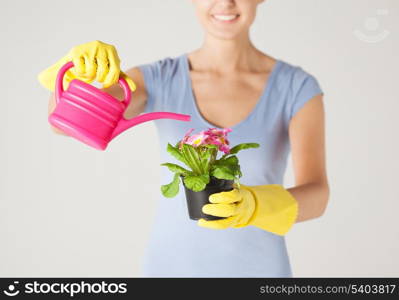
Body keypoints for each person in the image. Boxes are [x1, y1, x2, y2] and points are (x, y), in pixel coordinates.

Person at [39, 0, 329, 277]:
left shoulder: (296, 87)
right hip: (171, 271)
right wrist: (71, 73)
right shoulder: (157, 79)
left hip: (260, 272)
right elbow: (64, 125)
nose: (225, 2)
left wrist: (255, 205)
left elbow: (317, 196)